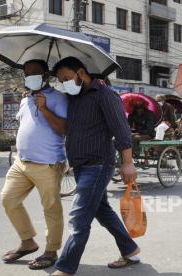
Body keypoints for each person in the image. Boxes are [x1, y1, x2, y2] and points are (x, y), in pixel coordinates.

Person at [51, 57, 140, 276]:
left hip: (98, 164)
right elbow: (66, 127)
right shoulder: (74, 98)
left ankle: (65, 267)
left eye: (66, 78)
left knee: (79, 217)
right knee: (103, 211)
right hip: (81, 165)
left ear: (81, 72)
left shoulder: (105, 95)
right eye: (61, 81)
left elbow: (121, 131)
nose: (64, 84)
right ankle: (129, 249)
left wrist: (127, 163)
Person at [1, 59, 68, 270]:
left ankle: (51, 250)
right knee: (8, 199)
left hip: (48, 163)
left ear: (46, 75)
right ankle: (28, 241)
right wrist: (32, 100)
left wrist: (46, 109)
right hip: (21, 163)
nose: (30, 77)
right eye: (27, 73)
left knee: (51, 208)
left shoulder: (59, 98)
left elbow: (63, 129)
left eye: (35, 73)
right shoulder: (25, 99)